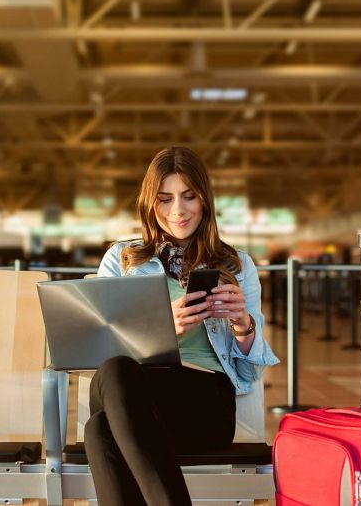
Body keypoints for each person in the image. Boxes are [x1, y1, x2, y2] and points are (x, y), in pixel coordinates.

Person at [90, 146, 279, 506]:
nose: (178, 210)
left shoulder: (237, 265)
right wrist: (161, 330)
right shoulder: (121, 259)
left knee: (99, 430)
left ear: (205, 200)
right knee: (116, 371)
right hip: (128, 389)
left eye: (189, 196)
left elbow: (251, 372)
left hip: (204, 401)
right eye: (165, 199)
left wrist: (243, 325)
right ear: (150, 203)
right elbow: (99, 348)